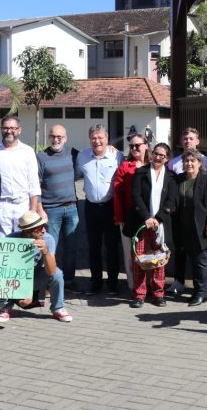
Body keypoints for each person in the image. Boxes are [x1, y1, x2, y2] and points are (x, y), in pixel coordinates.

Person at [0, 211, 73, 323]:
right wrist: (22, 293)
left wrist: (45, 251)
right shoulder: (11, 239)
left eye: (44, 226)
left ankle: (58, 308)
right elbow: (2, 269)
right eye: (39, 228)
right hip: (13, 279)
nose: (43, 230)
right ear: (27, 231)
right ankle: (5, 307)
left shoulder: (48, 239)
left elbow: (52, 271)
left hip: (34, 277)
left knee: (58, 274)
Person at [167, 126, 207, 294]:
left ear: (198, 141)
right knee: (180, 249)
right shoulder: (173, 163)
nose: (188, 141)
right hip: (181, 216)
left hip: (201, 216)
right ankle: (178, 281)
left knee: (204, 251)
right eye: (185, 138)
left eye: (191, 138)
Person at [76, 124, 124, 295]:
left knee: (112, 247)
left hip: (110, 207)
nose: (97, 141)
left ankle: (113, 283)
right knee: (93, 247)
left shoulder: (117, 156)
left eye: (100, 138)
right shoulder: (82, 156)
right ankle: (96, 281)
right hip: (91, 208)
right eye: (93, 138)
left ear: (107, 138)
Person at [130, 142, 176, 308]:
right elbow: (135, 196)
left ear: (167, 158)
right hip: (141, 223)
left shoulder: (171, 177)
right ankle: (139, 294)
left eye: (162, 155)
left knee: (159, 260)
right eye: (156, 153)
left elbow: (172, 200)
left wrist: (158, 218)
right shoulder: (140, 172)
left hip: (160, 225)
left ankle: (158, 294)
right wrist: (146, 217)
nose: (157, 157)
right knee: (139, 259)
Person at [35, 124, 81, 291]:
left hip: (71, 208)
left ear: (65, 138)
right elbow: (35, 185)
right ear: (49, 137)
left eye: (59, 137)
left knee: (71, 248)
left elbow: (92, 156)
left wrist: (111, 148)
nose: (56, 140)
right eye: (53, 136)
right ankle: (49, 283)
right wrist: (40, 209)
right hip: (51, 210)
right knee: (50, 248)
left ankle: (69, 281)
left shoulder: (73, 153)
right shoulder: (41, 157)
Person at [173, 149, 207, 306]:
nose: (189, 163)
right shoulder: (179, 179)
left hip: (201, 227)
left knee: (200, 261)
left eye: (192, 160)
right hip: (183, 227)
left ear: (200, 163)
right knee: (190, 259)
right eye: (186, 161)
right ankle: (197, 291)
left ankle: (200, 292)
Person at [0, 115, 41, 237]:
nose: (9, 131)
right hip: (1, 206)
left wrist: (33, 210)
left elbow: (34, 182)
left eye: (13, 128)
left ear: (19, 130)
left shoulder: (27, 151)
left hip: (23, 206)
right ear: (1, 129)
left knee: (24, 241)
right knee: (3, 243)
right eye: (5, 128)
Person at [113, 132, 150, 293]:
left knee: (150, 251)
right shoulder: (125, 166)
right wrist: (119, 216)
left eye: (138, 145)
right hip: (129, 217)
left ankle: (150, 284)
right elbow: (118, 192)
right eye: (131, 146)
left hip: (151, 217)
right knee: (130, 253)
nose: (134, 148)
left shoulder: (154, 164)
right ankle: (133, 285)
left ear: (146, 145)